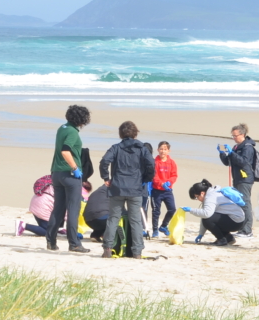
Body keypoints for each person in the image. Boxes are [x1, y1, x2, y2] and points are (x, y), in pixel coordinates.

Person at [98, 121, 154, 259]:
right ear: (135, 133)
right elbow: (151, 164)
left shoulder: (116, 148)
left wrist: (106, 177)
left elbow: (104, 161)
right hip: (135, 188)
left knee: (113, 218)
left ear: (121, 134)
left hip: (117, 187)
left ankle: (107, 248)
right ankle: (137, 252)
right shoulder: (142, 148)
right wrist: (146, 178)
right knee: (135, 220)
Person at [46, 104, 92, 253]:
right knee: (73, 209)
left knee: (58, 208)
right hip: (69, 174)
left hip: (56, 173)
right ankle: (74, 243)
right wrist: (75, 168)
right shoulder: (72, 132)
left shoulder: (62, 128)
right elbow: (65, 151)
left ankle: (51, 241)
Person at [216, 123, 259, 236]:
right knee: (239, 203)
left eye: (235, 135)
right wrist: (222, 154)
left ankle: (247, 230)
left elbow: (244, 162)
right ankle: (242, 229)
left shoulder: (248, 147)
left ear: (243, 134)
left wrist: (231, 153)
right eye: (232, 136)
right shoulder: (236, 147)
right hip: (237, 179)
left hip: (245, 179)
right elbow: (228, 162)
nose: (234, 138)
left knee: (245, 203)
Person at [20, 176, 91, 237]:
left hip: (38, 200)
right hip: (43, 206)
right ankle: (23, 225)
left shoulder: (63, 184)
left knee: (55, 218)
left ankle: (59, 228)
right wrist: (74, 231)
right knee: (48, 232)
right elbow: (67, 213)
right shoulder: (70, 193)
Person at [183, 179, 246, 246]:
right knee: (210, 218)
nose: (198, 199)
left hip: (235, 221)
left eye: (197, 197)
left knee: (207, 220)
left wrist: (190, 210)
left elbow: (206, 215)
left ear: (202, 193)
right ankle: (229, 238)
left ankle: (221, 239)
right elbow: (204, 215)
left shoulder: (210, 197)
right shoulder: (211, 193)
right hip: (238, 220)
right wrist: (201, 234)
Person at [150, 141, 178, 237]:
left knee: (172, 209)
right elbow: (154, 176)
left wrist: (169, 182)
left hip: (168, 191)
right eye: (161, 149)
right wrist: (161, 183)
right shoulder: (154, 162)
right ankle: (155, 230)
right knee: (156, 211)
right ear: (158, 150)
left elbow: (174, 175)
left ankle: (163, 226)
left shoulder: (172, 162)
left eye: (165, 149)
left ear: (168, 151)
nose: (163, 151)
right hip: (156, 191)